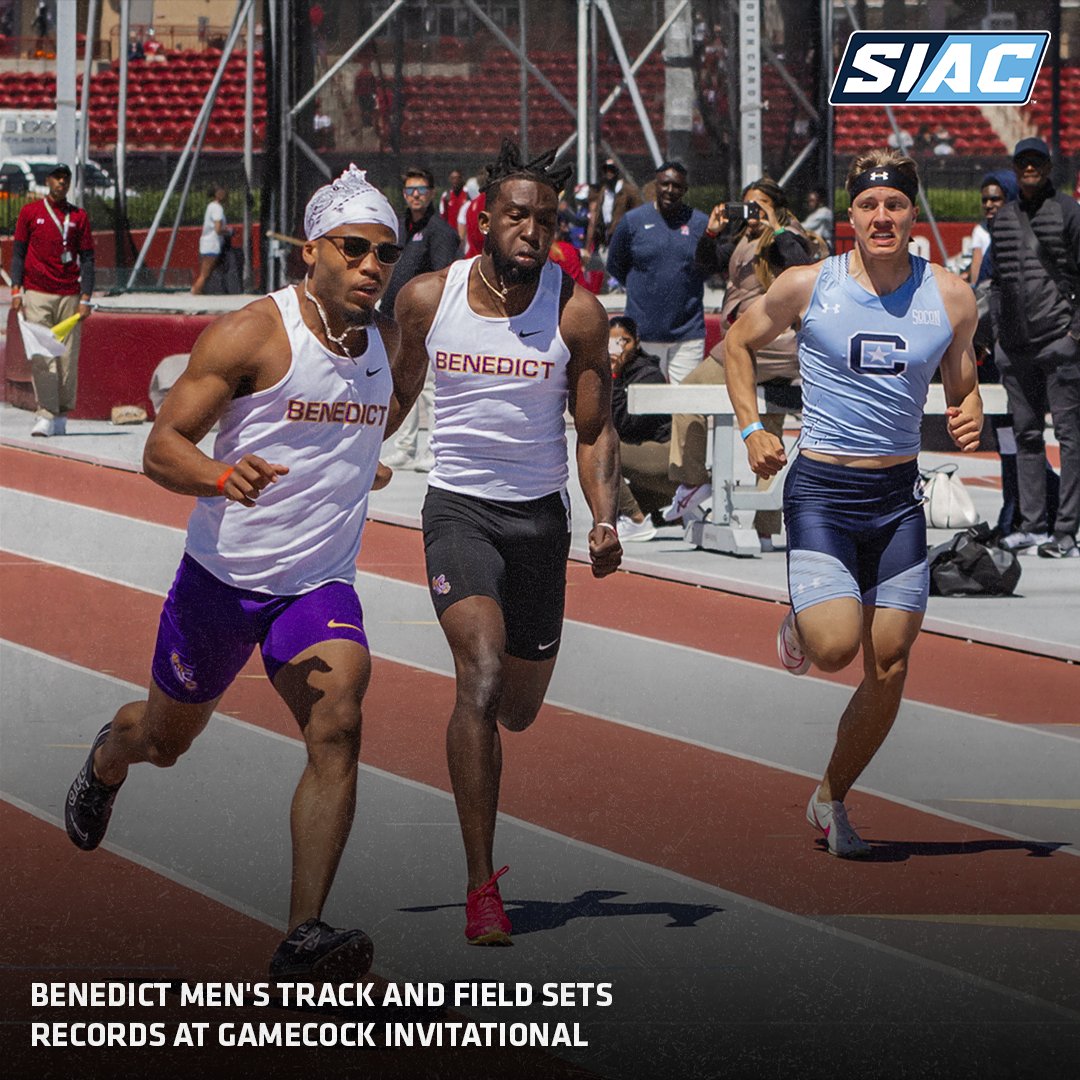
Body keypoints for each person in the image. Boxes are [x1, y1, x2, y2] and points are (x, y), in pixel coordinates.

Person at [63, 164, 406, 978]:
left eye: (385, 255)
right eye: (353, 249)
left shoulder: (383, 343)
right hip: (220, 582)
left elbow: (340, 435)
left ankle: (303, 936)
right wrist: (222, 477)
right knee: (163, 740)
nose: (370, 267)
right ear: (312, 251)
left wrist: (359, 471)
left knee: (340, 721)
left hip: (318, 583)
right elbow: (160, 447)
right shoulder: (252, 332)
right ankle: (108, 758)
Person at [394, 139, 622, 944]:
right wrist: (348, 470)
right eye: (518, 215)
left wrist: (602, 516)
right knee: (480, 678)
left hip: (540, 522)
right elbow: (391, 397)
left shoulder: (577, 311)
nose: (532, 229)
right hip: (458, 510)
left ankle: (484, 851)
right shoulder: (428, 297)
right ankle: (480, 886)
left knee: (518, 710)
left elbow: (593, 429)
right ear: (485, 218)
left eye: (547, 219)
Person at [724, 149, 982, 857]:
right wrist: (753, 429)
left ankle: (831, 797)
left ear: (911, 213)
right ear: (851, 216)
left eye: (894, 204)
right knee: (837, 649)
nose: (881, 217)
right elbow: (738, 344)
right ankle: (805, 621)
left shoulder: (952, 296)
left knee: (890, 662)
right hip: (825, 493)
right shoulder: (811, 284)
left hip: (897, 498)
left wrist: (970, 410)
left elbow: (963, 381)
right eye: (868, 206)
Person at [665, 178, 819, 542]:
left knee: (766, 431)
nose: (751, 213)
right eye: (746, 205)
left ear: (776, 206)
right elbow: (705, 264)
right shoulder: (743, 240)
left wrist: (775, 225)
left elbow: (803, 265)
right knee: (695, 400)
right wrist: (710, 233)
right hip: (748, 344)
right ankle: (697, 484)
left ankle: (760, 526)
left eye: (758, 205)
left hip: (774, 349)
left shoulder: (789, 234)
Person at [990, 137, 1080, 559]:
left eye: (1037, 163)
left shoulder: (1067, 212)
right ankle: (1032, 526)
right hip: (1016, 348)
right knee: (1026, 437)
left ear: (1047, 168)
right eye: (1023, 163)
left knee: (1069, 438)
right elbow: (997, 282)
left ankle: (1065, 531)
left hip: (1059, 344)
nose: (1030, 169)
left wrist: (1073, 337)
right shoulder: (1004, 217)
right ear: (1016, 167)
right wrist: (997, 339)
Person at [380, 166, 460, 471]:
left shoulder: (441, 233)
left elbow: (444, 278)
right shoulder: (397, 230)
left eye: (422, 190)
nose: (416, 195)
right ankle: (405, 446)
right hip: (392, 320)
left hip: (426, 324)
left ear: (431, 194)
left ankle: (434, 449)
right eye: (410, 190)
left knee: (428, 387)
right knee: (398, 384)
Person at [10, 162, 95, 438]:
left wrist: (86, 296)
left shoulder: (78, 216)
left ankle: (62, 412)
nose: (61, 182)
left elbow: (88, 258)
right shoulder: (30, 213)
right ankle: (46, 412)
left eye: (66, 178)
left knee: (68, 357)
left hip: (70, 295)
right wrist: (16, 289)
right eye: (57, 178)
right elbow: (19, 253)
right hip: (37, 293)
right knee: (42, 354)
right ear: (48, 181)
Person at [606, 161, 710, 384]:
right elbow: (615, 263)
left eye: (676, 186)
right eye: (665, 184)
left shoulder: (700, 223)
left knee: (687, 407)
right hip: (642, 334)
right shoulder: (632, 222)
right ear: (656, 185)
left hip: (687, 334)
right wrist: (644, 284)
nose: (670, 191)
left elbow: (709, 266)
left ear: (685, 190)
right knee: (644, 406)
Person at [609, 315, 676, 541]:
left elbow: (626, 424)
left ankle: (637, 520)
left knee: (603, 451)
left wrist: (614, 378)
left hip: (665, 458)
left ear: (636, 342)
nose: (619, 348)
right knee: (607, 514)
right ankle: (670, 513)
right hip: (642, 457)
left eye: (624, 341)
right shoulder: (606, 370)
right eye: (612, 342)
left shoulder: (649, 375)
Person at [586, 158, 641, 254]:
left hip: (622, 237)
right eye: (606, 170)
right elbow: (594, 218)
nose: (608, 173)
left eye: (612, 170)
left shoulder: (628, 191)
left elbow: (638, 214)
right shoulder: (602, 191)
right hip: (604, 237)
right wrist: (588, 246)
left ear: (617, 171)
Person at [192, 185, 228, 295]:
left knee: (207, 272)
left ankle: (199, 291)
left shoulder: (211, 206)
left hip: (206, 242)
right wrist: (229, 231)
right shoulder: (217, 208)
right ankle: (195, 291)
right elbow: (218, 229)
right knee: (205, 273)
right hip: (212, 244)